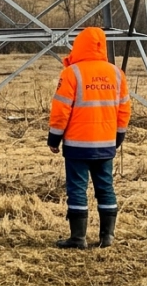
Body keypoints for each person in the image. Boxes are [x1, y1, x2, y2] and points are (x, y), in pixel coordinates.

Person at [48, 27, 131, 250]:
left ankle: (78, 238)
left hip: (77, 144)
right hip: (105, 143)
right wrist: (118, 137)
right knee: (106, 187)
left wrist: (54, 139)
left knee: (77, 189)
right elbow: (124, 109)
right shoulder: (116, 74)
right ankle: (107, 236)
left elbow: (61, 110)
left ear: (79, 46)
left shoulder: (71, 73)